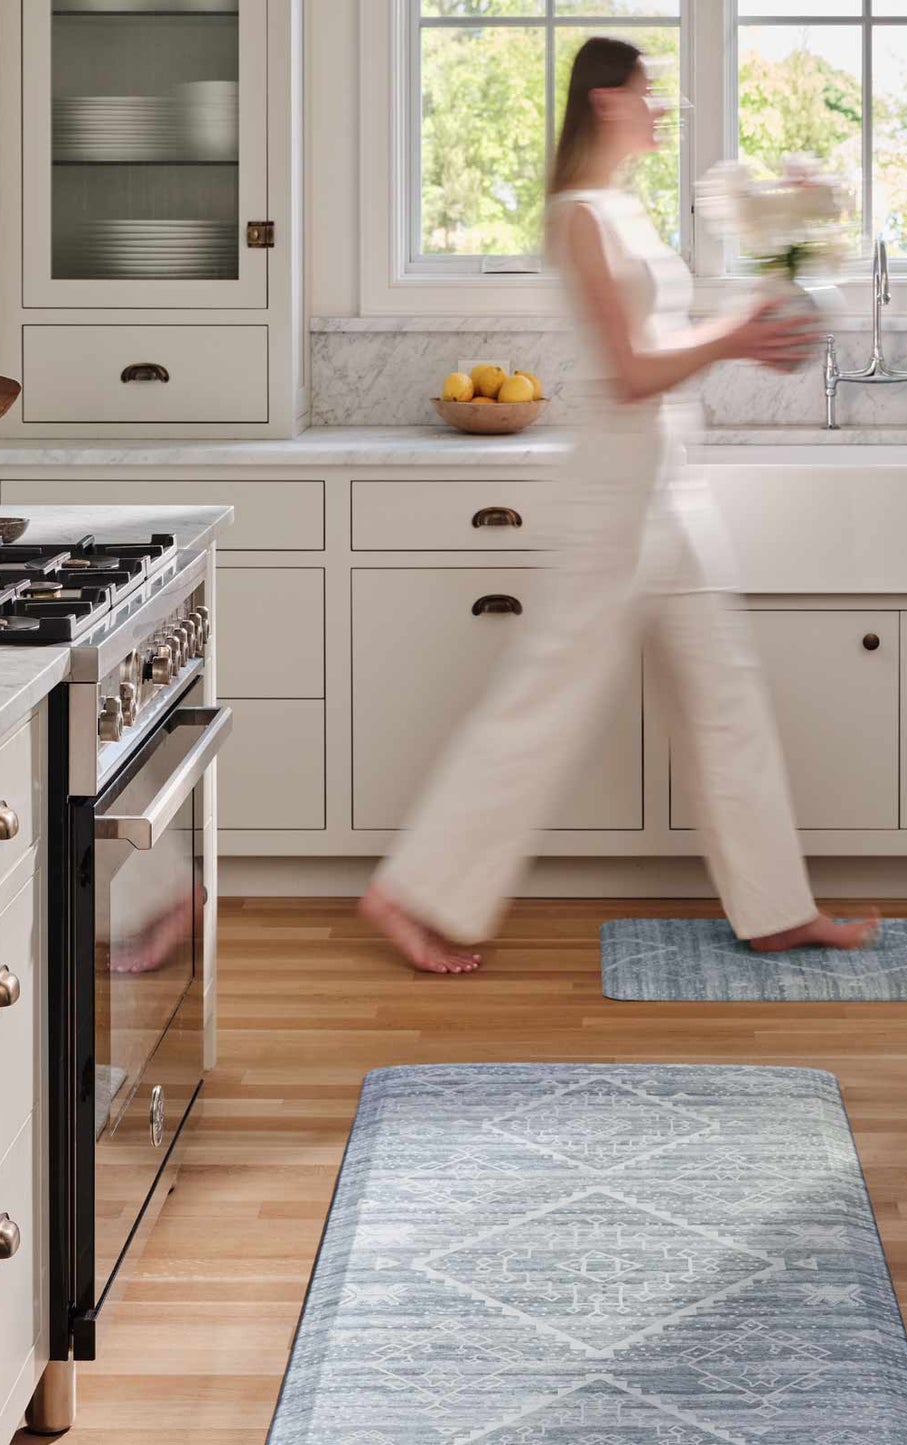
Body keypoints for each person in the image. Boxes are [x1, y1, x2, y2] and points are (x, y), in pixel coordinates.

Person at [361, 35, 880, 975]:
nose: (661, 108)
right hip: (613, 495)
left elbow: (673, 340)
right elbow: (633, 372)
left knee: (726, 693)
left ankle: (772, 906)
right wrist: (736, 337)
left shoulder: (626, 212)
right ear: (607, 101)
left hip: (668, 485)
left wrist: (773, 285)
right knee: (543, 705)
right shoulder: (578, 218)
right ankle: (406, 893)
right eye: (649, 93)